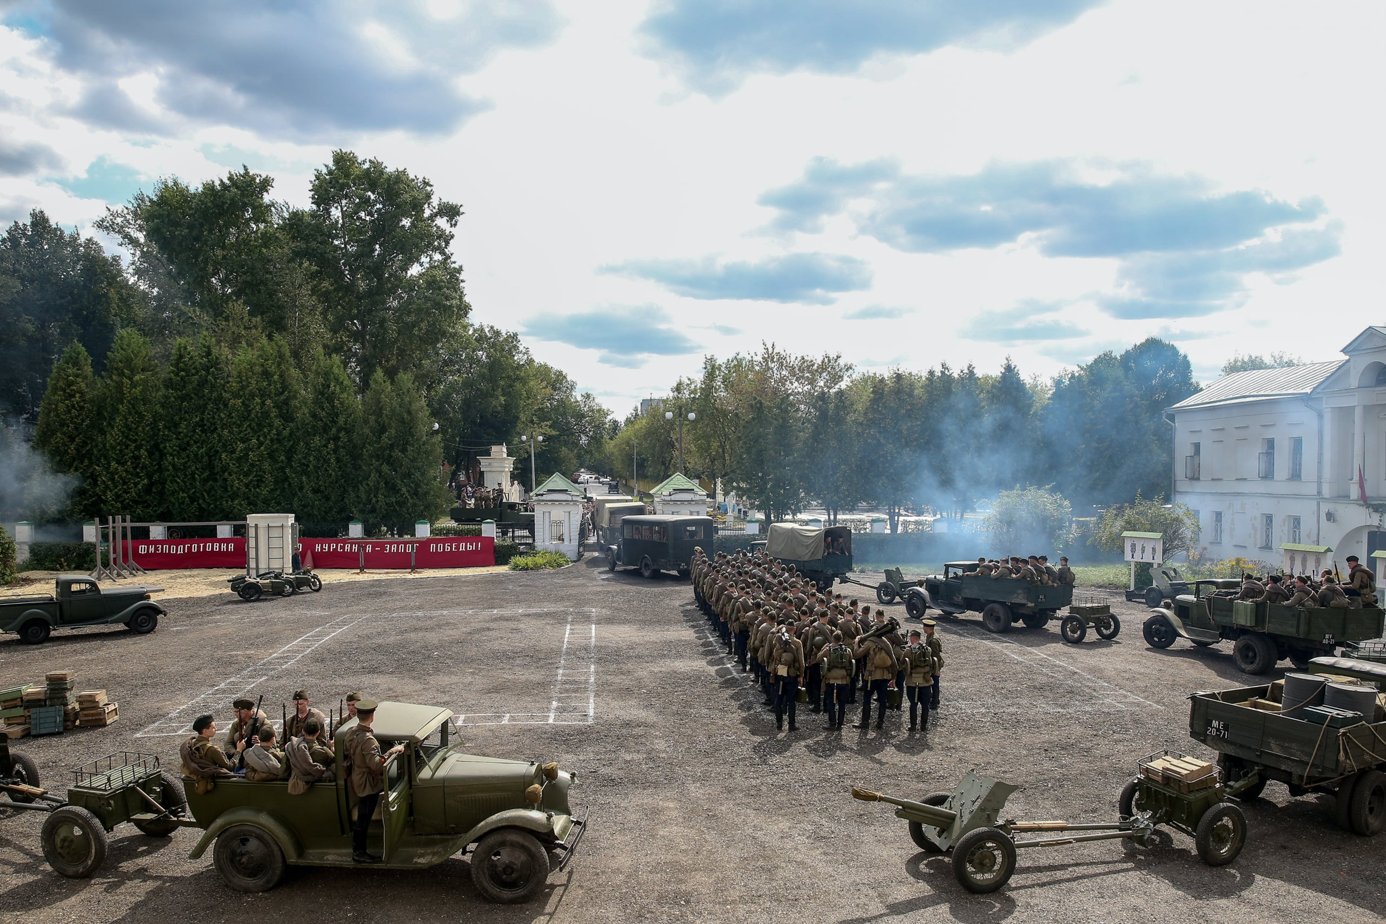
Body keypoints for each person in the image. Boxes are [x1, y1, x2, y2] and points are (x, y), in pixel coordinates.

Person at [346, 699, 405, 863]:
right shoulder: (368, 740)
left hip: (357, 775)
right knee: (364, 816)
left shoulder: (352, 732)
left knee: (364, 814)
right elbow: (376, 766)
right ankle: (359, 852)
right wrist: (393, 751)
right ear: (372, 716)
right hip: (367, 782)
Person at [854, 627, 899, 731]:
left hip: (871, 676)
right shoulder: (886, 643)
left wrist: (856, 643)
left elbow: (857, 654)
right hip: (884, 676)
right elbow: (894, 662)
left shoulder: (870, 642)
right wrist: (893, 677)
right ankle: (880, 722)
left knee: (867, 699)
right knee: (882, 700)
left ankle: (865, 722)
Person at [180, 714, 237, 794]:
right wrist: (239, 751)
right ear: (205, 731)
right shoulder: (212, 749)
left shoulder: (191, 744)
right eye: (213, 727)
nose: (216, 729)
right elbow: (230, 768)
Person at [813, 631, 855, 730]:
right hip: (844, 680)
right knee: (842, 703)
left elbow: (818, 659)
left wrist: (823, 649)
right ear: (841, 639)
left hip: (831, 680)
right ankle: (840, 724)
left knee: (831, 702)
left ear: (832, 639)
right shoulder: (847, 650)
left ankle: (832, 723)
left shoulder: (828, 649)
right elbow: (851, 663)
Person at [769, 622, 805, 732]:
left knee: (778, 699)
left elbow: (774, 656)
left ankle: (779, 724)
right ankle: (791, 724)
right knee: (791, 701)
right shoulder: (797, 643)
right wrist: (801, 675)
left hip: (780, 673)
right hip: (792, 675)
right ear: (794, 629)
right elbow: (801, 662)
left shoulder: (778, 640)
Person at [287, 718, 335, 795]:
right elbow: (334, 760)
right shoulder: (322, 752)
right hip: (315, 786)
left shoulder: (291, 746)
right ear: (318, 733)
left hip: (293, 781)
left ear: (303, 731)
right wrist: (331, 748)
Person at [901, 629, 936, 734]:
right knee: (925, 705)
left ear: (913, 638)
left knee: (913, 704)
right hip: (926, 681)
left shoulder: (908, 651)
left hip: (912, 681)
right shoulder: (928, 649)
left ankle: (913, 726)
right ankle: (923, 726)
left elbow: (903, 663)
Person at [224, 697, 273, 764]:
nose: (235, 714)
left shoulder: (265, 725)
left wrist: (259, 744)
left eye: (237, 711)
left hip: (259, 758)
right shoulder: (236, 724)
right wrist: (236, 753)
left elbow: (273, 745)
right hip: (240, 757)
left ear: (246, 711)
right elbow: (228, 743)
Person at [923, 619, 944, 711]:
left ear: (928, 628)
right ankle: (935, 699)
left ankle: (934, 702)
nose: (923, 628)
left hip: (934, 665)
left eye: (924, 627)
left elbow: (936, 657)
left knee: (934, 684)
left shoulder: (933, 640)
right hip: (932, 663)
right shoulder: (930, 636)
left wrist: (936, 670)